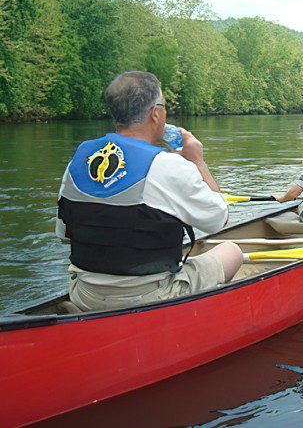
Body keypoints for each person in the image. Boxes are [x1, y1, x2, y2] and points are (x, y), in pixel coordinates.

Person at [56, 71, 243, 311]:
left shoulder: (78, 160)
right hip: (149, 297)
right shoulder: (169, 165)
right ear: (156, 113)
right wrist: (198, 162)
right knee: (232, 251)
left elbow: (64, 235)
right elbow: (218, 219)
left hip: (84, 294)